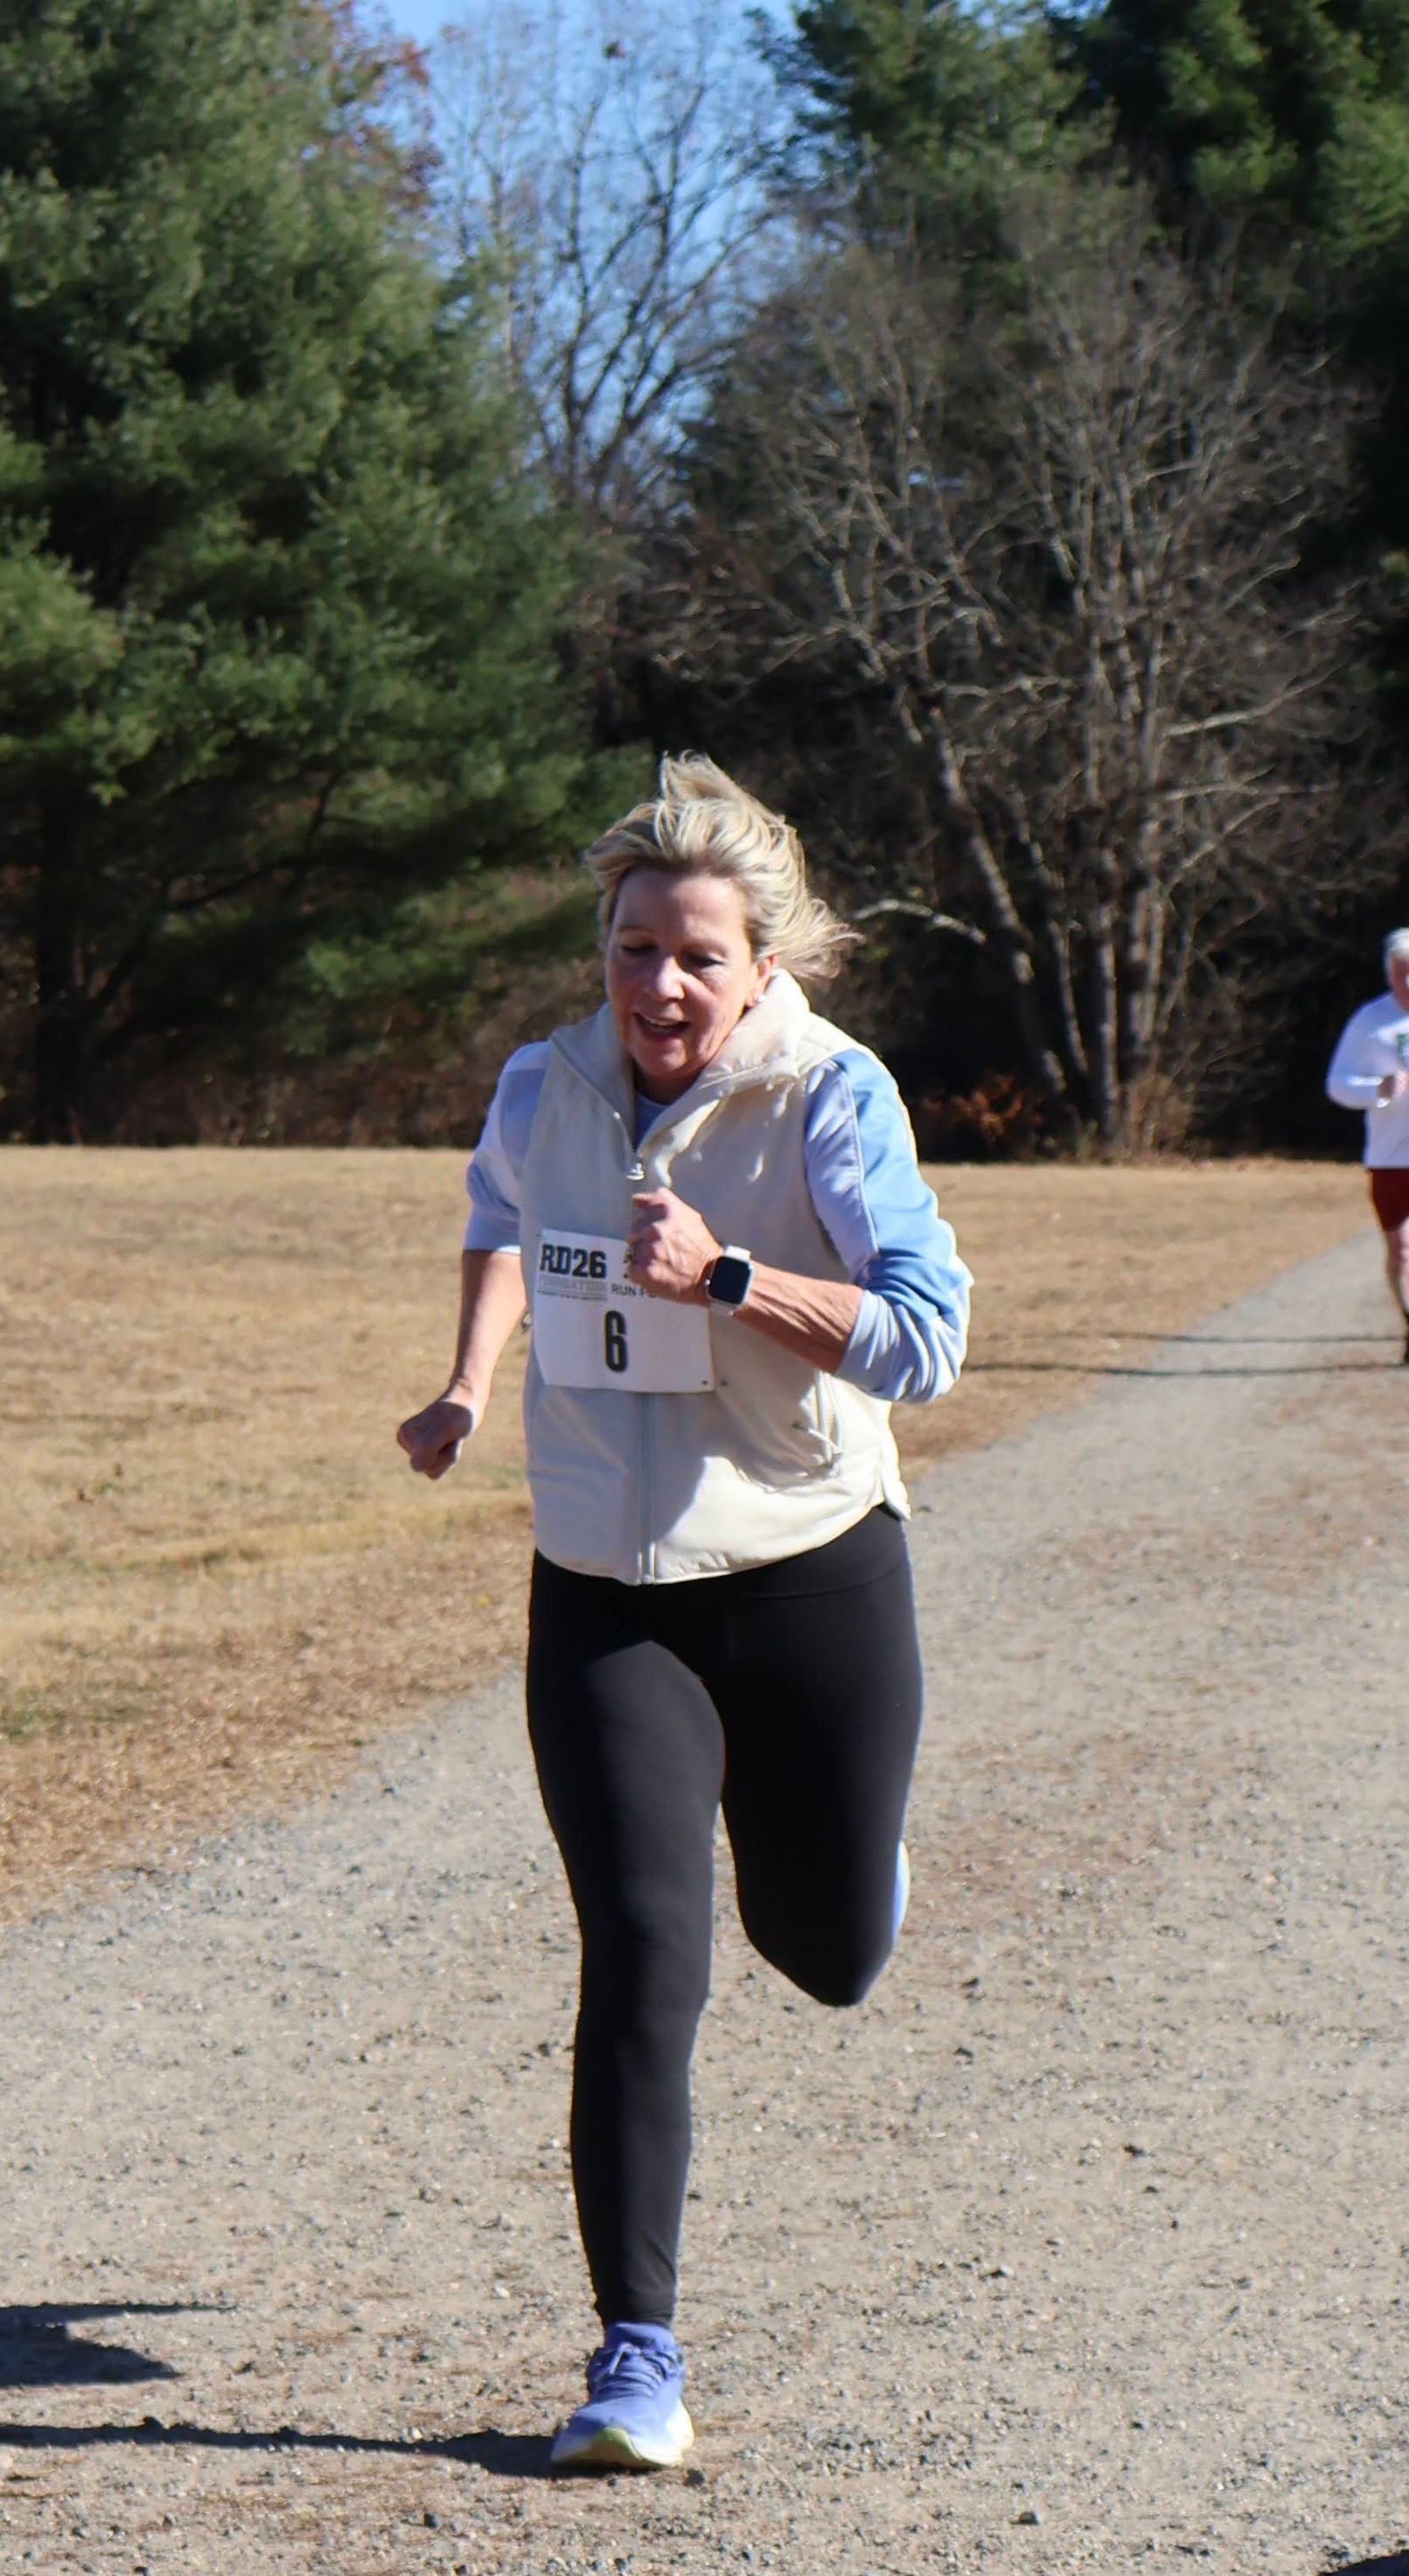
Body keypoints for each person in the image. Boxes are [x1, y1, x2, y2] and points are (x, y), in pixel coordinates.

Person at [397, 756, 971, 2471]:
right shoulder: (544, 1083)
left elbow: (927, 1339)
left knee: (828, 1953)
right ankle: (634, 2356)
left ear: (761, 963)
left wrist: (726, 1274)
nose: (657, 985)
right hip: (606, 1587)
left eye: (696, 955)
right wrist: (466, 1383)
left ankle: (859, 1871)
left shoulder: (832, 1095)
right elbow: (504, 1221)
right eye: (632, 947)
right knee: (644, 1952)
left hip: (808, 1565)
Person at [1325, 928, 1409, 1361]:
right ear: (1387, 974)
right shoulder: (1370, 1022)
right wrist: (1377, 1088)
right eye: (1400, 973)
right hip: (1391, 1156)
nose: (1408, 981)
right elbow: (1337, 1084)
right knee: (1401, 1248)